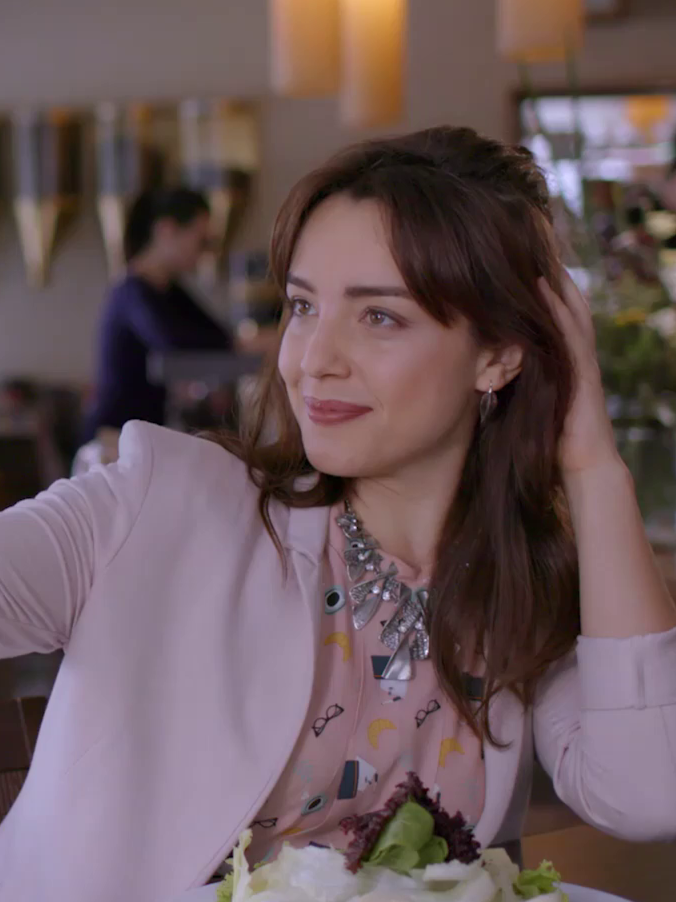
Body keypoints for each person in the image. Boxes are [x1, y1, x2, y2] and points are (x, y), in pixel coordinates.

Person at [1, 126, 676, 902]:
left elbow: (647, 795)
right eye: (301, 306)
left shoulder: (518, 582)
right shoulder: (158, 504)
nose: (312, 358)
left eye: (379, 316)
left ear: (498, 355)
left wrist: (592, 460)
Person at [80, 187, 234, 444]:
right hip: (109, 438)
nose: (203, 251)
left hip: (138, 437)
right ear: (166, 230)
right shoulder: (131, 290)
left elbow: (216, 334)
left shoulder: (169, 290)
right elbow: (174, 342)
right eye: (200, 240)